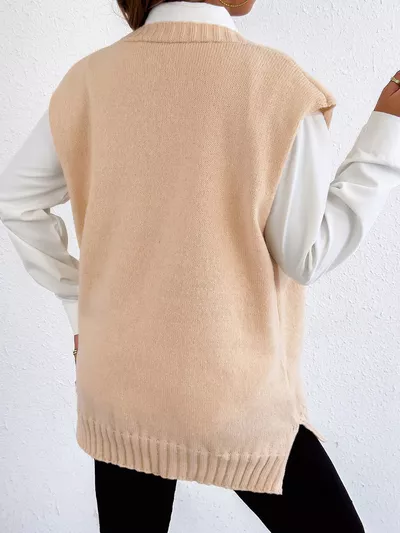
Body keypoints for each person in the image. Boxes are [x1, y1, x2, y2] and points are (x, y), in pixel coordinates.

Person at [1, 0, 400, 531]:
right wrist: (387, 132)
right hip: (234, 391)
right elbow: (307, 254)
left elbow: (16, 200)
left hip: (117, 382)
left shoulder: (87, 80)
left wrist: (80, 304)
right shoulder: (279, 86)